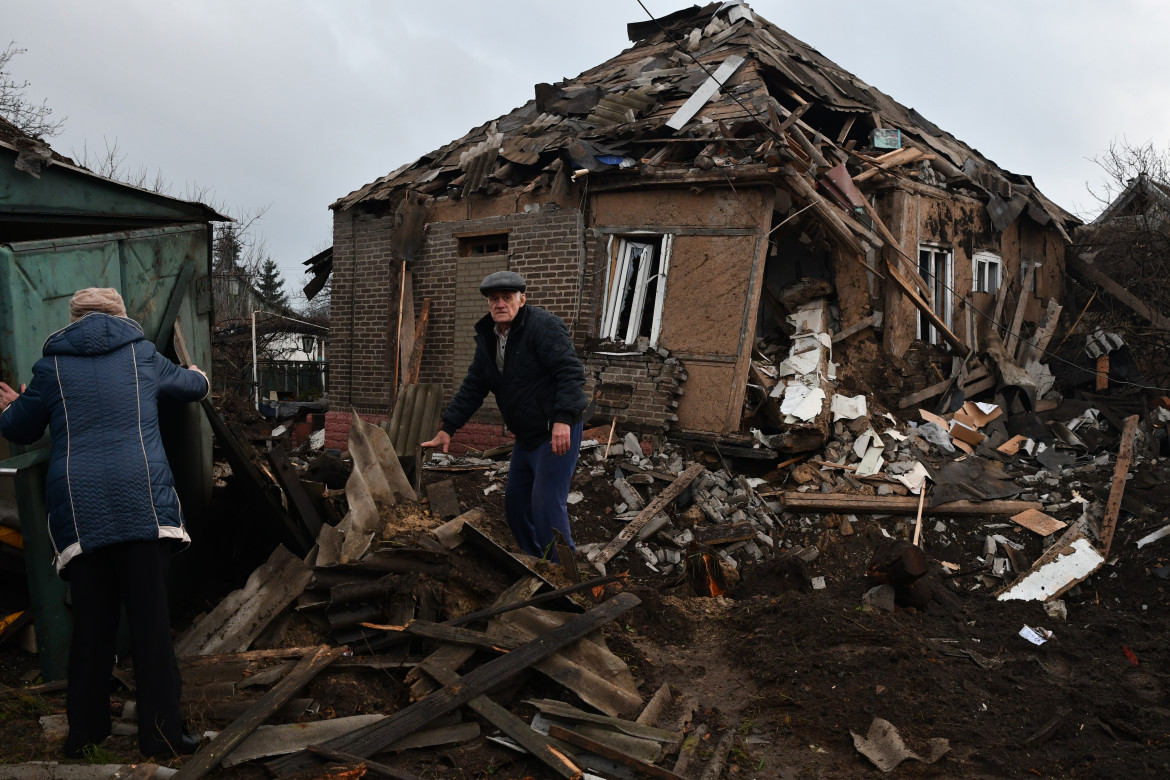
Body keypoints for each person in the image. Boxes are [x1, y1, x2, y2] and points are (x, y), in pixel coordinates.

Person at [0, 287, 209, 760]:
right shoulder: (142, 355)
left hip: (81, 513)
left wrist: (14, 404)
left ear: (73, 319)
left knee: (92, 630)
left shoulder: (50, 367)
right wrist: (196, 373)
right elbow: (192, 388)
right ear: (120, 316)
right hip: (143, 507)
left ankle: (85, 735)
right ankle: (162, 738)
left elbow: (18, 428)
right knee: (151, 628)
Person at [422, 271, 588, 561]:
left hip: (556, 432)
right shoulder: (488, 337)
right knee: (515, 505)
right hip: (526, 437)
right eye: (494, 299)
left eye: (507, 298)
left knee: (546, 504)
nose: (500, 304)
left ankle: (563, 573)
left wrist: (563, 419)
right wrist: (448, 427)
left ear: (521, 299)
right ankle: (535, 563)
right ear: (488, 303)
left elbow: (571, 373)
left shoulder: (544, 327)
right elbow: (474, 386)